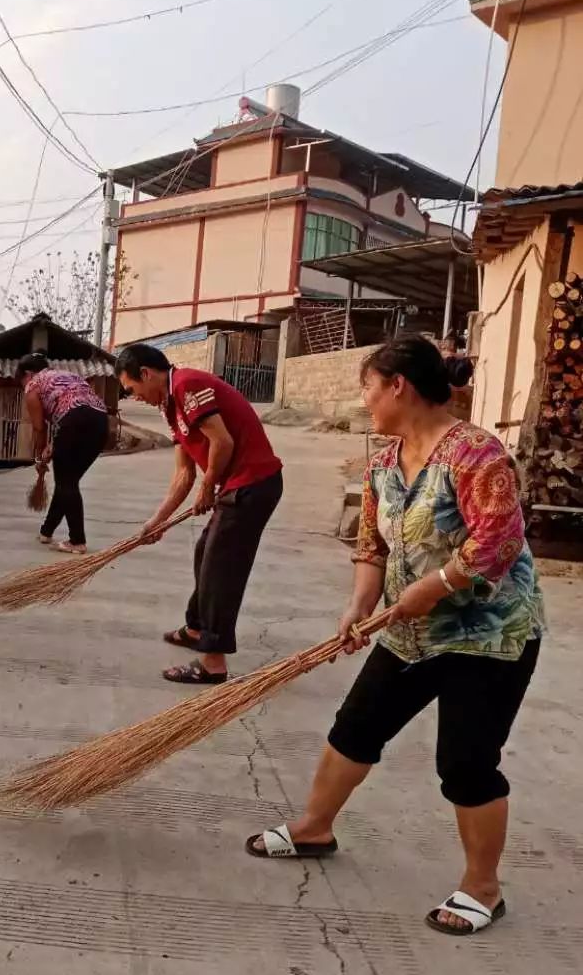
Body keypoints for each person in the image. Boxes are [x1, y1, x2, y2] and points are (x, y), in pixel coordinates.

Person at [246, 335, 545, 937]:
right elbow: (372, 545)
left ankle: (483, 887)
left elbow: (498, 541)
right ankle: (315, 827)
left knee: (465, 761)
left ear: (398, 386)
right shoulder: (384, 463)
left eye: (368, 388)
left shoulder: (475, 454)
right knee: (355, 727)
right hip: (409, 632)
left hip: (487, 635)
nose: (366, 400)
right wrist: (360, 605)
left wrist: (432, 586)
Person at [116, 342, 283, 685]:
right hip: (239, 485)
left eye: (132, 389)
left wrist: (209, 489)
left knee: (220, 569)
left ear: (146, 374)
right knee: (204, 551)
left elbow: (223, 442)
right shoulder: (170, 405)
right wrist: (155, 523)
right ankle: (195, 628)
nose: (134, 397)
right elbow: (183, 475)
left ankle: (213, 663)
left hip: (253, 484)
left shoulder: (187, 384)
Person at [16, 352, 109, 554]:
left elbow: (39, 428)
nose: (23, 384)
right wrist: (53, 445)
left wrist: (39, 458)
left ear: (28, 373)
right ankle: (46, 531)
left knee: (66, 483)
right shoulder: (67, 375)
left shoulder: (33, 385)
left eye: (21, 379)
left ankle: (77, 541)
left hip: (74, 420)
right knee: (68, 481)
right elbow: (70, 410)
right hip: (101, 421)